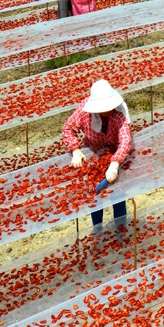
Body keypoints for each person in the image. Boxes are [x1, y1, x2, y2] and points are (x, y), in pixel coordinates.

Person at [63, 79, 134, 225]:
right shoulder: (84, 111)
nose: (106, 110)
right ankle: (98, 229)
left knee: (117, 194)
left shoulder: (119, 112)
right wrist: (75, 150)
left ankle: (120, 228)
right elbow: (68, 129)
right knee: (95, 195)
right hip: (94, 156)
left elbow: (125, 140)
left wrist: (114, 164)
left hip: (115, 155)